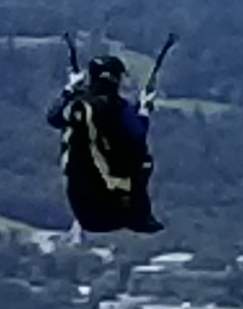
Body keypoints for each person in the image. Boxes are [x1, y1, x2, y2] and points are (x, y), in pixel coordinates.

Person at [51, 48, 165, 233]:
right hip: (110, 207)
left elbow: (53, 118)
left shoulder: (77, 105)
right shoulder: (119, 108)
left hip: (79, 201)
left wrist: (69, 89)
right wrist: (143, 110)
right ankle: (141, 217)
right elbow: (138, 134)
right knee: (143, 161)